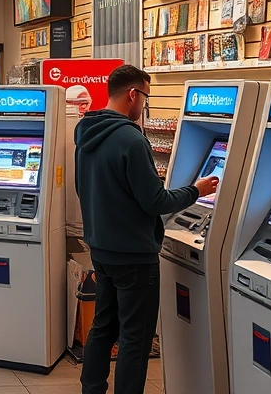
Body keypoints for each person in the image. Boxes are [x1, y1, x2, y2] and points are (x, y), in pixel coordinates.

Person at [75, 65, 219, 394]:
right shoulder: (130, 138)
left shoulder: (86, 131)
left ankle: (91, 389)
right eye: (146, 97)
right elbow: (155, 201)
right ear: (132, 94)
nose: (144, 104)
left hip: (102, 248)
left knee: (103, 327)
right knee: (135, 338)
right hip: (135, 256)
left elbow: (82, 188)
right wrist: (197, 190)